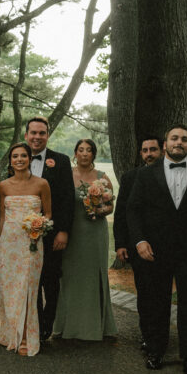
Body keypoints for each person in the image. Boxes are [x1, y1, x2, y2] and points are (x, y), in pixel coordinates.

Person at [128, 124, 187, 374]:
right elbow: (133, 210)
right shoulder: (147, 174)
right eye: (174, 138)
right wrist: (139, 241)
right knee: (158, 303)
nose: (180, 142)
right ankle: (156, 351)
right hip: (155, 251)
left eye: (185, 139)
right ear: (166, 143)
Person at [53, 139, 118, 340]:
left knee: (92, 275)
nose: (84, 154)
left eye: (88, 150)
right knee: (70, 276)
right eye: (80, 150)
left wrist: (99, 209)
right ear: (75, 153)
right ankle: (67, 325)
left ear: (93, 154)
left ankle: (95, 326)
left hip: (94, 231)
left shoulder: (102, 177)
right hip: (71, 231)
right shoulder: (66, 174)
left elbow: (110, 207)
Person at [0, 142, 51, 355]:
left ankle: (27, 336)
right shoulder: (3, 186)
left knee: (27, 289)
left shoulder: (42, 184)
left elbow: (48, 213)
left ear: (30, 159)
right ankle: (10, 333)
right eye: (15, 156)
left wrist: (39, 226)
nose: (19, 159)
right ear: (10, 160)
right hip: (8, 243)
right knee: (8, 289)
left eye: (23, 156)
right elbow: (2, 216)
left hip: (31, 244)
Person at [25, 116, 75, 342]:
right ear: (26, 135)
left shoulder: (61, 161)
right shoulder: (17, 156)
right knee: (30, 279)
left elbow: (66, 199)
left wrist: (63, 231)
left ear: (47, 135)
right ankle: (33, 323)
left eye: (41, 133)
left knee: (51, 279)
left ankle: (47, 324)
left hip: (52, 232)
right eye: (33, 133)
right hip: (23, 234)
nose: (37, 137)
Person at [113, 135, 162, 352]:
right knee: (144, 292)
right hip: (138, 243)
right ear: (141, 153)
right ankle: (148, 334)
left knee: (161, 293)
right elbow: (122, 211)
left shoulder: (170, 175)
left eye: (153, 149)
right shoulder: (130, 177)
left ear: (162, 150)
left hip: (168, 244)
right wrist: (121, 243)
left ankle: (162, 335)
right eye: (145, 150)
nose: (149, 154)